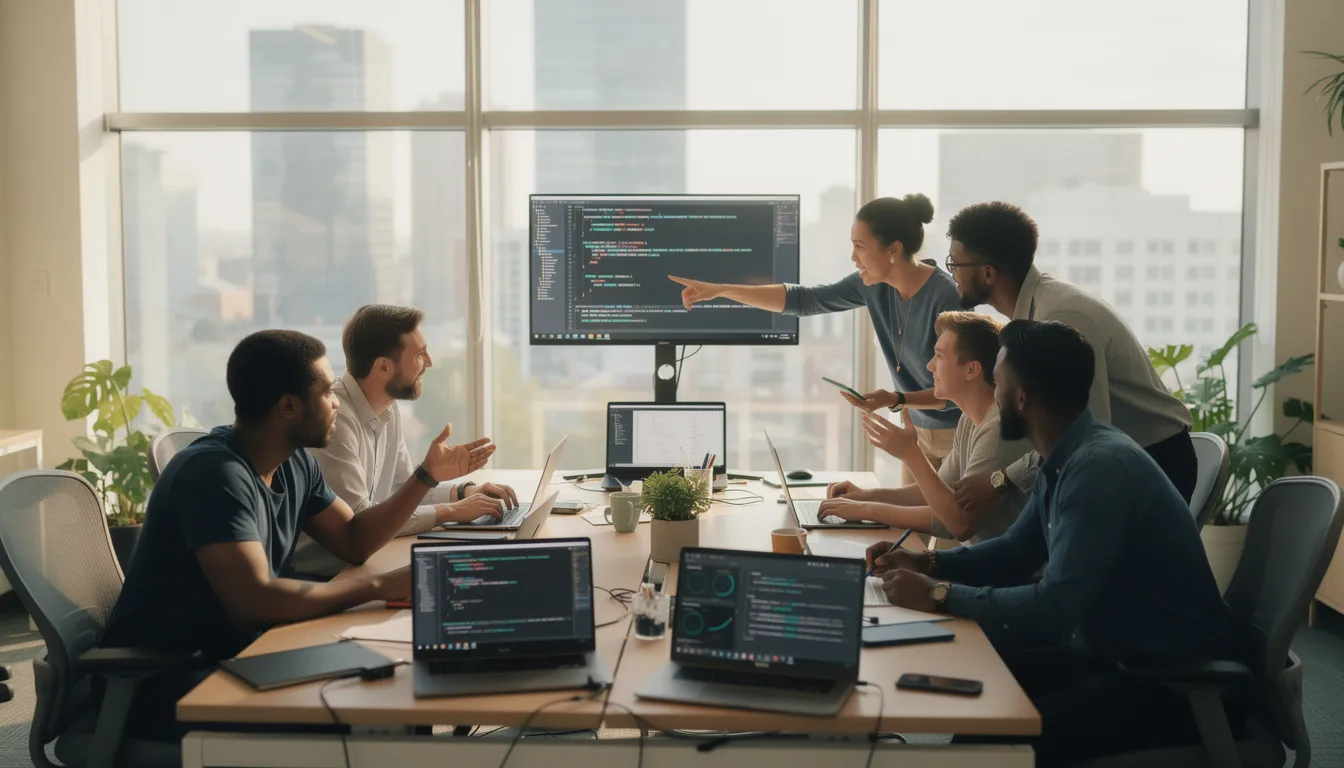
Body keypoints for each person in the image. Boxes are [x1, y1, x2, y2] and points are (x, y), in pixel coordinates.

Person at [866, 320, 1242, 767]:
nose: (994, 395)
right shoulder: (1065, 454)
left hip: (1167, 680)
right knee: (981, 698)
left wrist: (939, 595)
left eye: (999, 384)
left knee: (993, 741)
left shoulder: (1098, 469)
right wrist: (928, 563)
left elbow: (1055, 606)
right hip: (1112, 651)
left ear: (1021, 398)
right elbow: (1015, 551)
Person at [100, 330, 496, 739]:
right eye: (326, 393)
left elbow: (354, 539)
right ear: (288, 407)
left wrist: (426, 476)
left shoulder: (294, 463)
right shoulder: (214, 475)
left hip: (246, 654)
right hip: (169, 684)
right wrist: (379, 586)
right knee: (378, 712)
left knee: (399, 677)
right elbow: (254, 601)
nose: (337, 402)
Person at [668, 194, 962, 466]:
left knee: (942, 509)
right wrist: (720, 290)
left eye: (860, 247)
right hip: (916, 430)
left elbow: (955, 392)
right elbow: (804, 300)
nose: (853, 257)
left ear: (893, 250)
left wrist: (896, 399)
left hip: (956, 433)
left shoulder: (945, 296)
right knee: (915, 509)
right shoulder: (873, 285)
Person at [942, 202, 1196, 510]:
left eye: (955, 264)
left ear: (988, 273)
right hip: (1114, 459)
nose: (952, 274)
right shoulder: (1035, 313)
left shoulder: (1060, 317)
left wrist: (1000, 480)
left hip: (1153, 461)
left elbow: (1082, 432)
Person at [292, 304, 517, 579]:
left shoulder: (388, 408)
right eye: (420, 354)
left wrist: (463, 492)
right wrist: (449, 511)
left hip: (363, 565)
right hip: (324, 578)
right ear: (383, 367)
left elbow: (401, 490)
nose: (429, 362)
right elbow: (361, 524)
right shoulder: (335, 421)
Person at [818, 311, 1029, 543]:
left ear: (971, 370)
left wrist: (910, 455)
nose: (930, 366)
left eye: (939, 356)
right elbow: (933, 493)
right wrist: (865, 496)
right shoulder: (970, 419)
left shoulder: (999, 431)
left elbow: (959, 523)